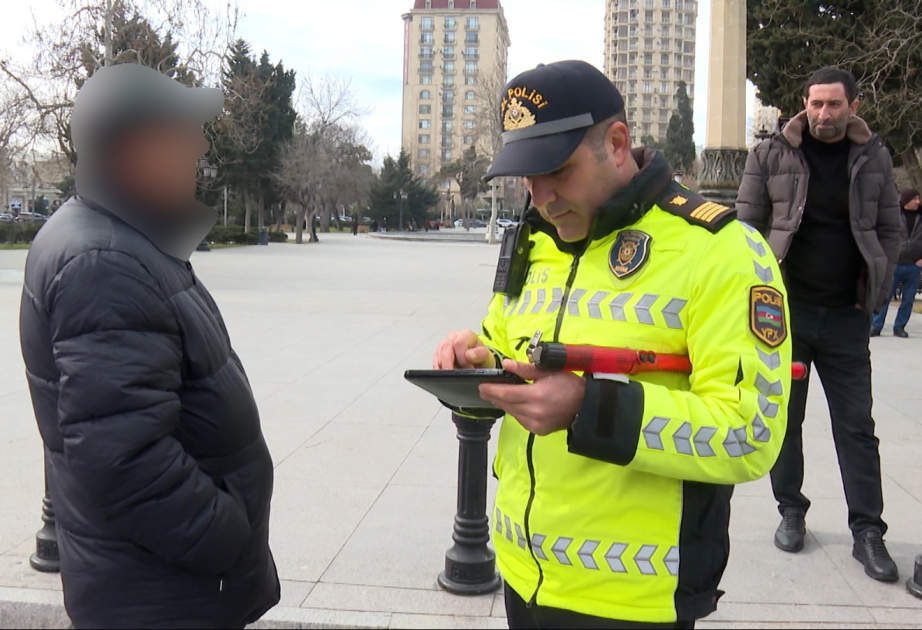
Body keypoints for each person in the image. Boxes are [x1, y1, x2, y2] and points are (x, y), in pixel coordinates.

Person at [433, 60, 791, 629]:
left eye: (557, 170)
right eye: (527, 176)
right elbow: (508, 351)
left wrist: (586, 407)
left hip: (636, 599)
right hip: (523, 577)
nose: (542, 196)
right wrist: (477, 360)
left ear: (617, 143)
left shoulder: (721, 250)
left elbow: (750, 431)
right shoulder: (536, 243)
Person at [19, 64, 280, 628]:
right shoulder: (103, 261)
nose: (201, 145)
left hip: (158, 586)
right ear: (136, 148)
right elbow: (124, 460)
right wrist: (227, 536)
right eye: (185, 131)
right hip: (162, 596)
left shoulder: (121, 237)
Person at [737, 67, 901, 582]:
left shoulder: (874, 157)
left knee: (856, 426)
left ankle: (867, 530)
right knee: (787, 422)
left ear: (852, 105)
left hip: (847, 318)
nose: (823, 114)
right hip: (786, 319)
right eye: (815, 104)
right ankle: (791, 510)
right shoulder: (770, 154)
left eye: (833, 105)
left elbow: (891, 228)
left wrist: (875, 288)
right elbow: (746, 232)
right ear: (802, 104)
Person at [871, 188, 922, 337]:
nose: (918, 202)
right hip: (894, 264)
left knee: (908, 299)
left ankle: (899, 327)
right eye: (915, 199)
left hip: (914, 265)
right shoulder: (893, 216)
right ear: (906, 201)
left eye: (919, 199)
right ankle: (876, 325)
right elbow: (883, 235)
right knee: (885, 297)